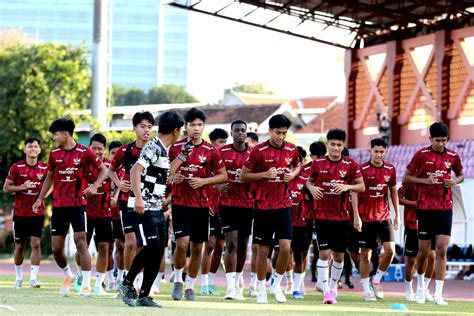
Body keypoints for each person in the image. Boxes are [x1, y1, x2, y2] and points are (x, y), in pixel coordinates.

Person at [32, 118, 108, 296]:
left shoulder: (84, 152)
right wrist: (39, 198)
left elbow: (104, 170)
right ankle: (69, 275)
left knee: (81, 241)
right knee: (57, 249)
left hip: (78, 205)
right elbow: (49, 177)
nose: (54, 138)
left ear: (65, 134)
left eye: (56, 134)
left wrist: (95, 185)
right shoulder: (54, 154)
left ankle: (87, 285)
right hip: (59, 205)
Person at [119, 111, 185, 308]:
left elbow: (164, 175)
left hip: (157, 208)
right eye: (180, 131)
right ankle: (127, 283)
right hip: (143, 207)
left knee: (158, 251)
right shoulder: (153, 146)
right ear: (176, 131)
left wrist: (182, 156)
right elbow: (134, 170)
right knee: (151, 247)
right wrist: (138, 198)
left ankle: (144, 296)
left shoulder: (163, 149)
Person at [240, 114, 301, 304]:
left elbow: (298, 166)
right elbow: (243, 176)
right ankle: (261, 289)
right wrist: (265, 174)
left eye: (284, 133)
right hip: (263, 206)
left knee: (285, 248)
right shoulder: (258, 151)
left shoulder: (291, 149)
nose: (281, 136)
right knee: (262, 250)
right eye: (277, 133)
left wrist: (292, 174)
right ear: (270, 131)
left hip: (284, 205)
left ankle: (276, 283)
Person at [168, 107, 227, 301]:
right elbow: (165, 174)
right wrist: (174, 177)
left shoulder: (211, 150)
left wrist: (204, 181)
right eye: (192, 124)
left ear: (204, 126)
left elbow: (223, 176)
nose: (196, 128)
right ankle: (178, 280)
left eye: (199, 125)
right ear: (185, 126)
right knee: (182, 244)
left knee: (197, 247)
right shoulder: (176, 147)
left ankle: (190, 287)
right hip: (180, 202)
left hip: (202, 205)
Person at [403, 122, 464, 305]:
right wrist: (424, 181)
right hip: (425, 208)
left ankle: (438, 294)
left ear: (447, 139)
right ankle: (421, 288)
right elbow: (406, 177)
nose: (440, 144)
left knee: (442, 249)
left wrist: (454, 181)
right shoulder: (421, 155)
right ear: (430, 139)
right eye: (437, 140)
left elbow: (460, 174)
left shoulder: (453, 155)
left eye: (443, 140)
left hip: (445, 207)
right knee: (422, 253)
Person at [306, 128, 365, 304]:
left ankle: (332, 287)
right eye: (332, 144)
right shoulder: (317, 164)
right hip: (322, 216)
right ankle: (326, 292)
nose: (336, 148)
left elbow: (361, 186)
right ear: (327, 144)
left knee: (339, 256)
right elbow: (308, 181)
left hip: (341, 217)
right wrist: (312, 187)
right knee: (324, 254)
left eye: (339, 145)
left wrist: (348, 187)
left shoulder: (351, 164)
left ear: (343, 145)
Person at [108, 112, 154, 281]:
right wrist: (119, 183)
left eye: (149, 127)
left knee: (146, 244)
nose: (146, 131)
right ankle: (128, 281)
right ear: (134, 128)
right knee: (131, 242)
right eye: (142, 127)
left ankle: (140, 281)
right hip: (127, 201)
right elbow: (110, 170)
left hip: (149, 202)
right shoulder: (124, 150)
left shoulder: (157, 150)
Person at [353, 138, 399, 301]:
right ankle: (366, 291)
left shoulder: (390, 169)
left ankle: (377, 281)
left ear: (386, 152)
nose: (379, 155)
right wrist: (356, 216)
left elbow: (393, 192)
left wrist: (397, 216)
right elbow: (354, 193)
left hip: (384, 217)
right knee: (365, 254)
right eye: (376, 151)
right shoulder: (362, 169)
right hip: (365, 218)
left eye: (382, 152)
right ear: (370, 150)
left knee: (390, 251)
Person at [4, 137, 48, 289]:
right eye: (30, 147)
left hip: (37, 212)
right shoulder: (16, 167)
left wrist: (44, 194)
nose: (33, 149)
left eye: (36, 146)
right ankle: (18, 277)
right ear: (25, 150)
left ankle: (34, 278)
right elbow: (6, 188)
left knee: (36, 244)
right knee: (19, 246)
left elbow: (53, 184)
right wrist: (22, 187)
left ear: (39, 150)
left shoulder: (45, 168)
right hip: (20, 213)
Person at [218, 120, 254, 300]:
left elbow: (261, 176)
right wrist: (217, 186)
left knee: (243, 244)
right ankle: (230, 288)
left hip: (248, 205)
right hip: (228, 204)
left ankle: (239, 281)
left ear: (246, 133)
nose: (240, 133)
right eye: (236, 130)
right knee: (231, 243)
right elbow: (209, 172)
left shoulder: (253, 152)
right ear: (231, 133)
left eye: (243, 130)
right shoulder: (222, 152)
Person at [74, 133, 113, 295]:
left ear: (104, 149)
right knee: (83, 247)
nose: (96, 151)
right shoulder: (82, 165)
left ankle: (98, 284)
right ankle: (80, 275)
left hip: (104, 212)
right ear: (89, 148)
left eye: (100, 149)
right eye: (93, 148)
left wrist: (116, 196)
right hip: (85, 212)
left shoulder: (110, 166)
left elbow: (119, 183)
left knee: (104, 247)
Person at [200, 128, 228, 296]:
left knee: (219, 246)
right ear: (212, 142)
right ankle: (203, 283)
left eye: (225, 142)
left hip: (223, 209)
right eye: (220, 142)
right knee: (209, 245)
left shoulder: (226, 162)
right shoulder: (206, 159)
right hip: (207, 207)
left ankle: (211, 282)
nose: (223, 145)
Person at [399, 182, 436, 302]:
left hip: (430, 222)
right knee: (411, 259)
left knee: (431, 256)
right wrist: (416, 203)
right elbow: (398, 198)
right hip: (412, 223)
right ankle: (409, 290)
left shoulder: (434, 178)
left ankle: (424, 288)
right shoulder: (409, 181)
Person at [289, 146, 312, 299]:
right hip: (285, 221)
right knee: (283, 252)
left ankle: (297, 286)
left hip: (305, 221)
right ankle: (278, 282)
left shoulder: (308, 179)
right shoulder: (284, 177)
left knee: (301, 255)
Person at [303, 141, 326, 285]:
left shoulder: (326, 168)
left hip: (321, 215)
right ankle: (308, 277)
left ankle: (322, 280)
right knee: (304, 249)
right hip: (308, 215)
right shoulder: (305, 169)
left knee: (323, 249)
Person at [108, 140, 125, 289]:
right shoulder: (105, 169)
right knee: (106, 247)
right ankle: (108, 278)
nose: (115, 155)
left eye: (117, 153)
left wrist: (116, 193)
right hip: (105, 213)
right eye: (113, 153)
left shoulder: (127, 169)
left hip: (121, 214)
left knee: (121, 245)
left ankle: (120, 276)